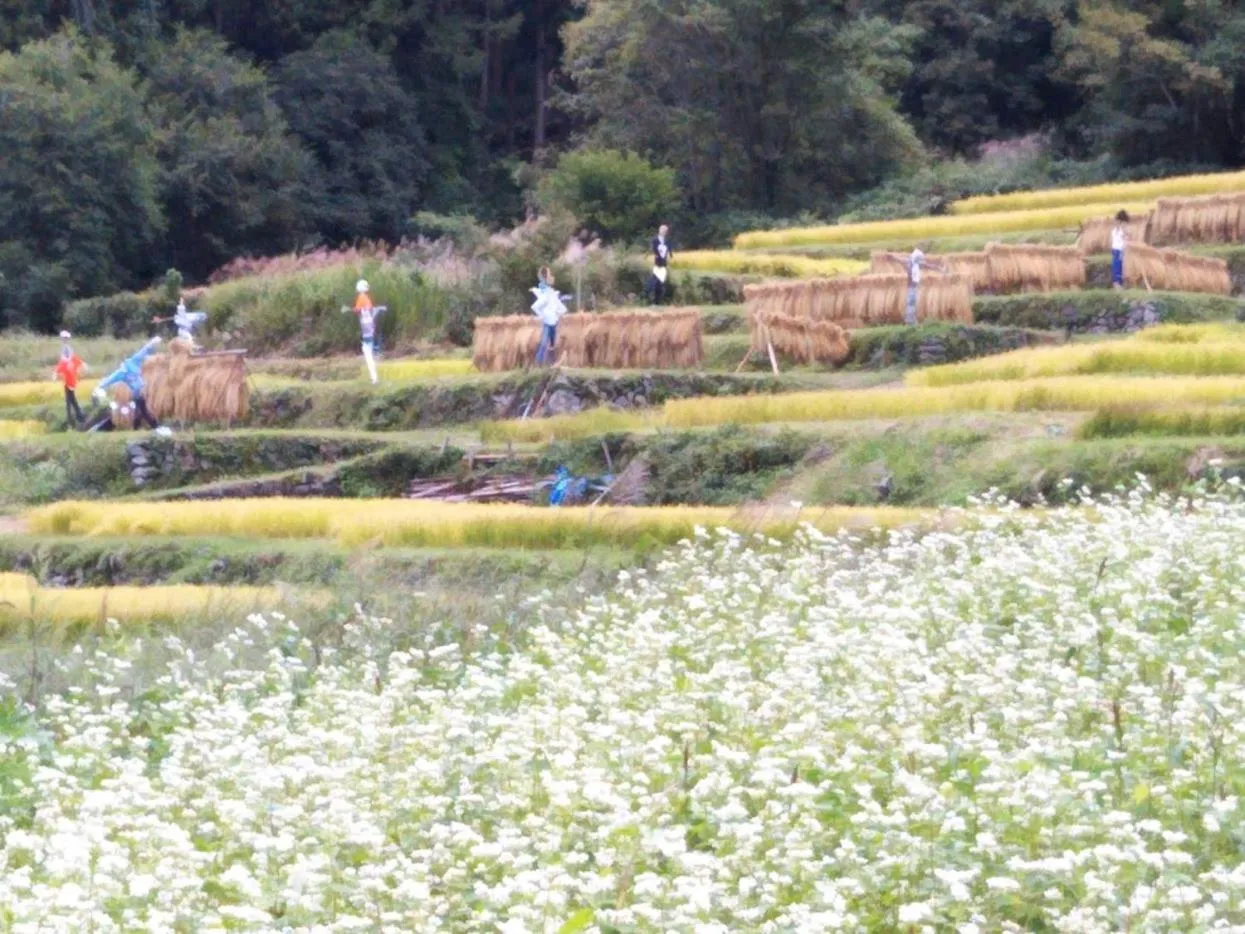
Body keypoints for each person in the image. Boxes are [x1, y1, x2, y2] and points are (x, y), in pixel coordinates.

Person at [92, 337, 162, 430]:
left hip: (141, 391)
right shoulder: (122, 372)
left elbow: (144, 351)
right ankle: (154, 427)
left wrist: (152, 343)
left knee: (141, 411)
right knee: (140, 410)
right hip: (137, 394)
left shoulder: (133, 362)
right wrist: (100, 386)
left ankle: (152, 426)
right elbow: (110, 379)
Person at [343, 279, 386, 385]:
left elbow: (358, 310)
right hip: (369, 325)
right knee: (368, 349)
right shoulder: (366, 298)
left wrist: (349, 309)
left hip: (366, 326)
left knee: (367, 351)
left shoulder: (361, 297)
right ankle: (374, 376)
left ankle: (374, 378)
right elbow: (365, 310)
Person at [531, 266, 568, 366]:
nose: (552, 277)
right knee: (544, 343)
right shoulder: (547, 293)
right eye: (550, 275)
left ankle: (551, 363)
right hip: (548, 322)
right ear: (546, 278)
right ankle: (538, 363)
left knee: (552, 344)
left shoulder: (550, 293)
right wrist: (542, 316)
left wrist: (560, 312)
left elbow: (560, 308)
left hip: (553, 322)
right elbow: (535, 306)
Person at [903, 247, 948, 326]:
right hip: (912, 288)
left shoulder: (913, 263)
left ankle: (911, 320)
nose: (920, 259)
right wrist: (941, 269)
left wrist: (940, 269)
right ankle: (910, 321)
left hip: (912, 288)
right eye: (919, 258)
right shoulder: (912, 264)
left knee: (912, 304)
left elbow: (930, 266)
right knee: (911, 304)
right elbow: (930, 266)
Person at [52, 330, 87, 428]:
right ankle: (77, 418)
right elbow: (64, 362)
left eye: (65, 338)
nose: (64, 340)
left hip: (70, 377)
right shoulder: (66, 348)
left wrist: (56, 373)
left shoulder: (67, 349)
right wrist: (56, 372)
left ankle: (73, 420)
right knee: (71, 399)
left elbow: (68, 361)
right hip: (68, 378)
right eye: (63, 338)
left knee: (70, 400)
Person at [649, 224, 672, 305]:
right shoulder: (655, 240)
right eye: (663, 230)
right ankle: (654, 301)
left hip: (664, 264)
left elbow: (669, 250)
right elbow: (654, 250)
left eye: (666, 231)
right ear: (660, 230)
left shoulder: (667, 240)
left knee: (661, 283)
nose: (665, 232)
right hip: (657, 264)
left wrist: (669, 256)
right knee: (655, 282)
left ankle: (659, 301)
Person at [1111, 210, 1129, 289]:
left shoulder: (1124, 230)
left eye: (1117, 220)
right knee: (1115, 268)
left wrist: (1124, 250)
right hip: (1115, 250)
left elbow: (1126, 240)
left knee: (1119, 268)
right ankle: (1116, 284)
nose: (1116, 222)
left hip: (1120, 250)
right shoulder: (1115, 230)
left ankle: (1119, 285)